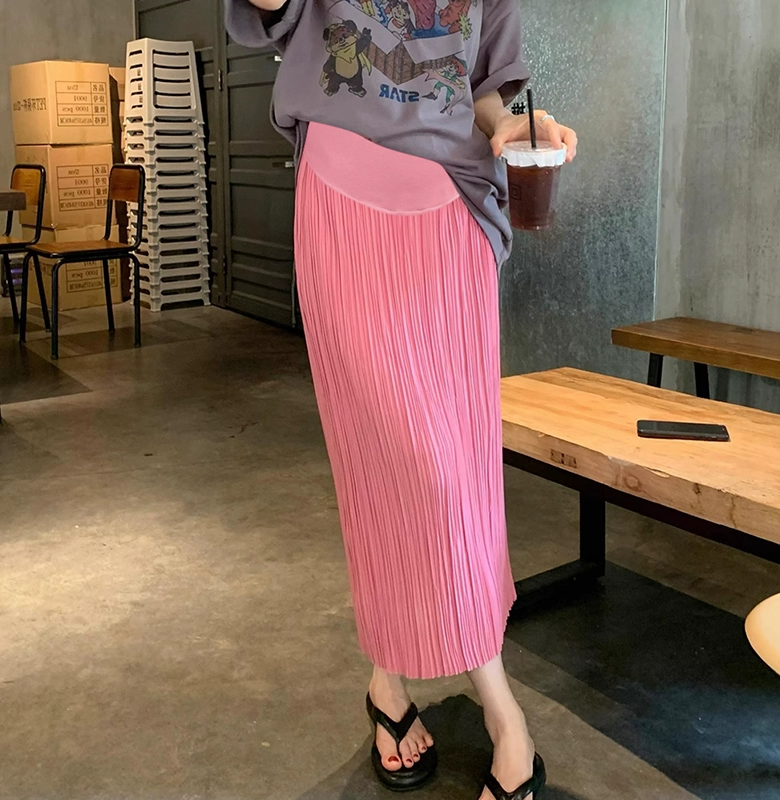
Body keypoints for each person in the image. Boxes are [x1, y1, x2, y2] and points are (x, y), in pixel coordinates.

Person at [224, 0, 577, 797]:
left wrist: (514, 128)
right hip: (344, 211)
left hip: (452, 219)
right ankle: (504, 715)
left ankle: (388, 682)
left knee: (458, 477)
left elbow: (482, 89)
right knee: (401, 467)